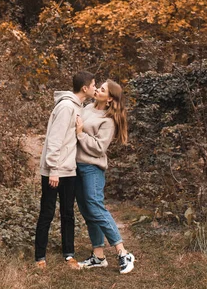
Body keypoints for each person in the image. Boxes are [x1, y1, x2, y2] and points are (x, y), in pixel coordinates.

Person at [35, 71, 96, 269]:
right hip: (54, 171)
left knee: (68, 212)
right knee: (47, 212)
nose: (96, 88)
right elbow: (55, 139)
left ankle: (69, 254)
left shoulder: (79, 107)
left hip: (69, 169)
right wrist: (53, 169)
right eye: (94, 85)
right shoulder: (66, 107)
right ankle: (40, 257)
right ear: (85, 88)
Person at [75, 79, 135, 274]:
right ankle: (98, 256)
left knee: (95, 206)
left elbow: (100, 148)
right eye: (98, 87)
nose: (97, 90)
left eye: (102, 89)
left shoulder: (108, 121)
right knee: (88, 211)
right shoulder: (86, 107)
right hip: (76, 166)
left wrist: (81, 134)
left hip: (92, 169)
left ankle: (123, 252)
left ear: (109, 98)